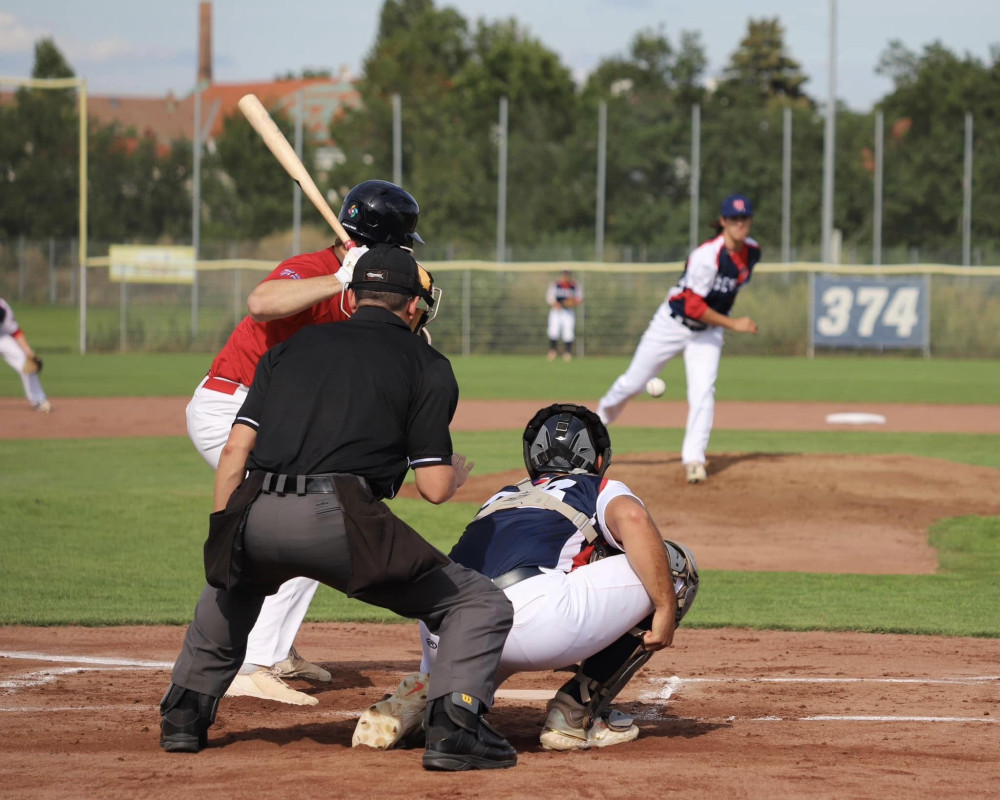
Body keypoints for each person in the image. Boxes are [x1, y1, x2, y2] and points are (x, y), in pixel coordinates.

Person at [160, 244, 518, 772]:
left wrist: (226, 533)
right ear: (415, 307)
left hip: (257, 504)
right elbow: (435, 487)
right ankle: (456, 730)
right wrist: (458, 473)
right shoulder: (426, 362)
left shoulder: (292, 347)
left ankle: (183, 720)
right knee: (477, 604)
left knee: (231, 584)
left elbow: (235, 451)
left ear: (351, 295)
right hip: (343, 517)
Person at [184, 180, 425, 705]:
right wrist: (336, 277)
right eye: (404, 243)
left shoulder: (367, 290)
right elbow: (261, 302)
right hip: (230, 405)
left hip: (272, 414)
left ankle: (275, 647)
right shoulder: (314, 268)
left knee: (317, 506)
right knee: (298, 510)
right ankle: (252, 663)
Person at [351, 403, 699, 753]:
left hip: (446, 633)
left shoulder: (503, 495)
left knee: (479, 603)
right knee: (673, 565)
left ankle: (431, 692)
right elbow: (633, 518)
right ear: (597, 460)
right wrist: (665, 605)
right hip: (535, 623)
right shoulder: (595, 486)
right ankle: (575, 712)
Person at [596, 193, 761, 484]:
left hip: (707, 333)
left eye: (744, 217)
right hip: (672, 324)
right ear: (723, 222)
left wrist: (724, 320)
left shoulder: (752, 252)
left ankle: (694, 459)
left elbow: (724, 295)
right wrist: (734, 323)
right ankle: (595, 427)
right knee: (632, 383)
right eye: (733, 218)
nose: (739, 223)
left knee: (703, 391)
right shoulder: (706, 257)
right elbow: (693, 306)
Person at [0, 297, 52, 413]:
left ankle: (38, 400)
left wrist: (28, 351)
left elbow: (15, 331)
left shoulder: (2, 307)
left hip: (1, 338)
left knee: (25, 361)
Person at [545, 269, 583, 361]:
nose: (565, 277)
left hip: (568, 311)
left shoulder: (574, 285)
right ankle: (553, 351)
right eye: (564, 275)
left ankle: (567, 353)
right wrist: (555, 303)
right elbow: (549, 297)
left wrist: (572, 303)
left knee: (568, 332)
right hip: (556, 311)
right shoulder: (556, 284)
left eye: (567, 275)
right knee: (553, 330)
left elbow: (579, 299)